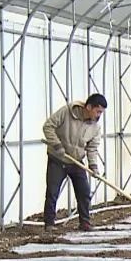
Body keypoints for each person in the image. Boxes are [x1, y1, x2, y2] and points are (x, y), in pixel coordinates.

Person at [42, 93, 107, 231]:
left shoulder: (95, 127)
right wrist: (57, 145)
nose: (99, 115)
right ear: (89, 107)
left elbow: (92, 148)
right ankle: (49, 224)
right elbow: (48, 126)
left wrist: (93, 166)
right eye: (98, 111)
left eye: (101, 112)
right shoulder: (67, 112)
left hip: (76, 161)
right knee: (52, 192)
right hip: (57, 159)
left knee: (84, 191)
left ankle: (85, 222)